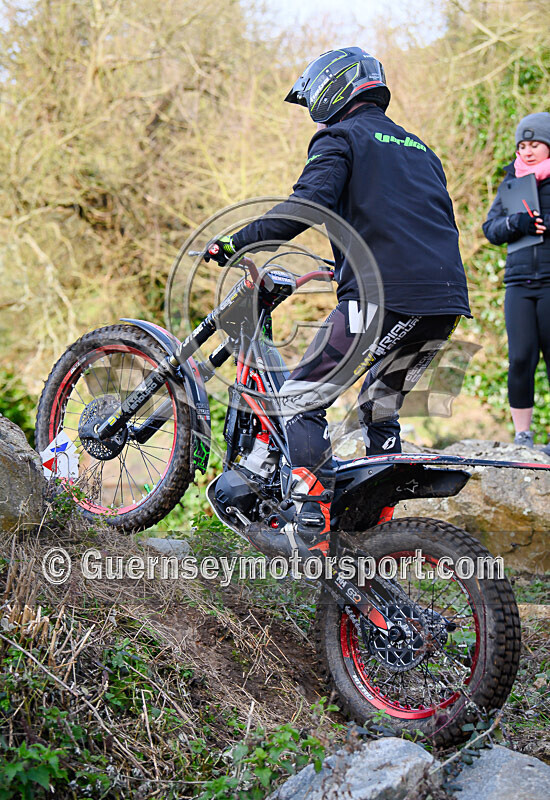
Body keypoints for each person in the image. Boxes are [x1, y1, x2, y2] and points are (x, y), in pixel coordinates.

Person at [205, 47, 471, 556]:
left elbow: (306, 205)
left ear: (336, 88)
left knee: (301, 395)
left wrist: (238, 241)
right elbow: (408, 221)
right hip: (443, 300)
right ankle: (379, 526)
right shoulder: (419, 148)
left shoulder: (339, 136)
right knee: (380, 401)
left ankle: (311, 518)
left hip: (383, 296)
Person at [482, 112, 550, 453]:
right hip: (519, 284)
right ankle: (523, 436)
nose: (527, 151)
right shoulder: (512, 182)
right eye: (522, 145)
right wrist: (517, 223)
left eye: (535, 144)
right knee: (521, 357)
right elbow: (490, 229)